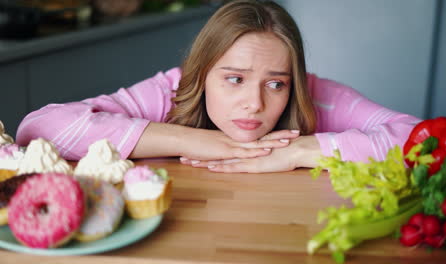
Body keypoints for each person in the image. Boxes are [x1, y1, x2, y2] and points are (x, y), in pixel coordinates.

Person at [16, 0, 420, 173]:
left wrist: (300, 150)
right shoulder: (173, 89)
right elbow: (39, 127)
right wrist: (195, 141)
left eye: (275, 84)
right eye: (234, 79)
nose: (254, 104)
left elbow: (423, 140)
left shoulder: (317, 94)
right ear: (201, 72)